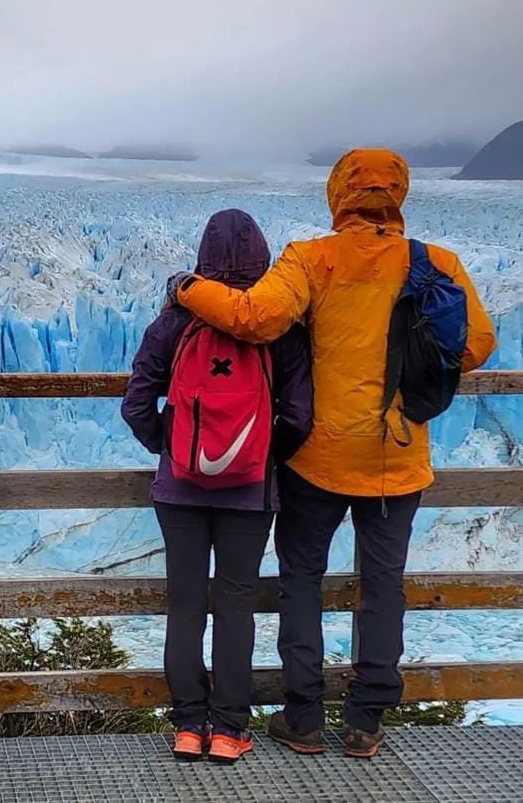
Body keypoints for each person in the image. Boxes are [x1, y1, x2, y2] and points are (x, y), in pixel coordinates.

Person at [169, 150, 497, 758]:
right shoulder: (435, 263)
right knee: (382, 586)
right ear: (397, 194)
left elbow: (255, 318)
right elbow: (476, 343)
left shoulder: (312, 258)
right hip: (398, 461)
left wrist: (189, 289)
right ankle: (367, 721)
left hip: (318, 461)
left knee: (302, 582)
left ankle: (304, 718)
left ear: (338, 192)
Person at [122, 208, 313, 764]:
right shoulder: (280, 327)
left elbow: (136, 402)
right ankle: (228, 731)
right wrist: (263, 460)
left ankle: (187, 728)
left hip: (178, 489)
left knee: (185, 605)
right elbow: (299, 416)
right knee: (235, 607)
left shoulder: (174, 321)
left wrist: (172, 447)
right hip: (250, 494)